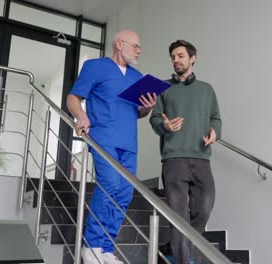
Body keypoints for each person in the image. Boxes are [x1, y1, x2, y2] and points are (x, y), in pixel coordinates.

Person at [67, 30, 157, 264]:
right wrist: (81, 116)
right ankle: (91, 246)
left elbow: (137, 113)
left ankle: (106, 248)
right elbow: (73, 98)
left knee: (125, 194)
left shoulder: (137, 76)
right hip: (103, 136)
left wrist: (147, 107)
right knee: (109, 185)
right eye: (135, 45)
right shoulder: (95, 66)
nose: (139, 50)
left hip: (129, 142)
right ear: (119, 44)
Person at [149, 40, 222, 264]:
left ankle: (172, 247)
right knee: (179, 217)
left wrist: (214, 134)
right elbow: (154, 119)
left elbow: (215, 118)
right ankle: (181, 259)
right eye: (173, 56)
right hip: (173, 160)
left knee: (204, 209)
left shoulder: (207, 89)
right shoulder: (162, 87)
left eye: (180, 55)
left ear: (192, 58)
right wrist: (165, 126)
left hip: (201, 158)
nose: (176, 60)